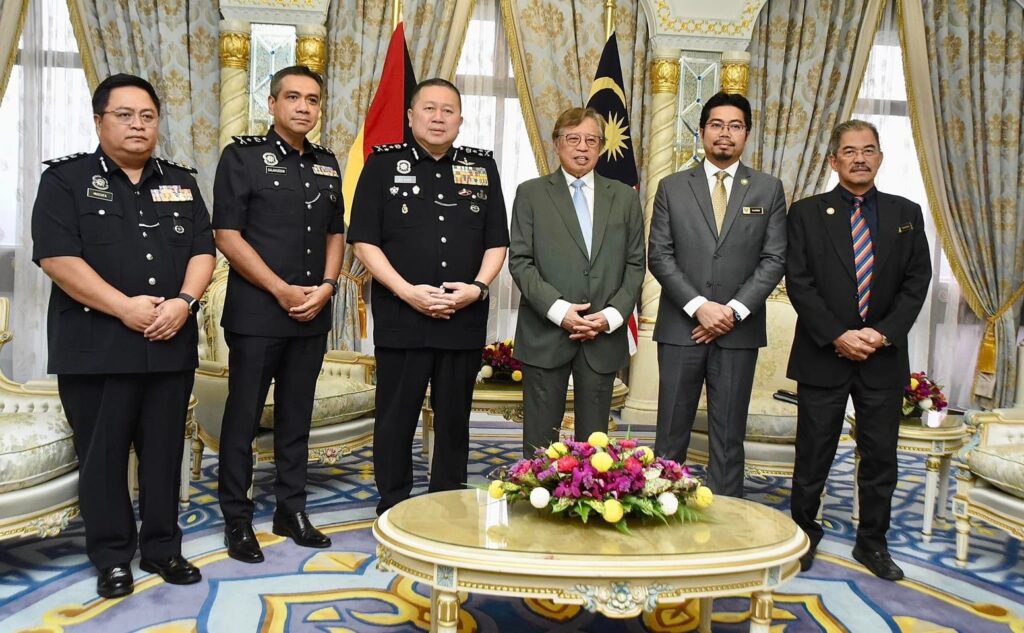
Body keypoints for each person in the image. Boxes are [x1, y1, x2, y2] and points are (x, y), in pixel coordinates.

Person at [31, 74, 215, 598]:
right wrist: (123, 308)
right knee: (104, 457)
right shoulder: (65, 181)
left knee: (164, 453)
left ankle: (163, 548)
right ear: (98, 121)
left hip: (169, 341)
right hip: (97, 347)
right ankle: (112, 556)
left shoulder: (180, 181)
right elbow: (57, 258)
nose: (138, 125)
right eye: (125, 115)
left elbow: (203, 249)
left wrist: (184, 302)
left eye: (147, 116)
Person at [348, 78, 508, 515]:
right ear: (411, 116)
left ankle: (447, 502)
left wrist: (477, 288)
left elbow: (497, 241)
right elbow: (363, 241)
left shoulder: (482, 167)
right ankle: (394, 503)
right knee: (395, 417)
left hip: (462, 317)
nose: (439, 118)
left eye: (448, 110)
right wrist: (405, 292)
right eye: (429, 109)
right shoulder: (382, 165)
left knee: (454, 419)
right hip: (402, 316)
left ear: (460, 119)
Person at [787, 120, 931, 580]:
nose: (860, 159)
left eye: (868, 150)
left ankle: (872, 543)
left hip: (881, 358)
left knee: (880, 458)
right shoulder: (806, 213)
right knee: (813, 454)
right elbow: (799, 282)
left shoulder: (906, 212)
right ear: (834, 161)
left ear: (880, 158)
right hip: (823, 354)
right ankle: (804, 534)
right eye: (849, 151)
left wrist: (882, 334)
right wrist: (838, 335)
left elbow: (917, 281)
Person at [213, 65, 345, 562]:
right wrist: (280, 289)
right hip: (257, 314)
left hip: (312, 311)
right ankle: (237, 518)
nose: (303, 107)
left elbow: (336, 232)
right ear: (271, 104)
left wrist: (328, 287)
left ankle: (291, 509)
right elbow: (227, 235)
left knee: (296, 417)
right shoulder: (242, 157)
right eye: (292, 97)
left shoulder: (327, 163)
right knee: (243, 419)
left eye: (312, 99)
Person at [647, 91, 787, 498]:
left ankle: (728, 514)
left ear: (747, 134)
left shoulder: (768, 189)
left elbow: (775, 258)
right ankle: (663, 505)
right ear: (702, 130)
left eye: (735, 126)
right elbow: (660, 255)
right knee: (670, 432)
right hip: (681, 330)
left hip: (738, 332)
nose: (725, 133)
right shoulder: (672, 187)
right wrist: (700, 308)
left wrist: (732, 312)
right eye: (717, 125)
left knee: (728, 436)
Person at [508, 107, 645, 455]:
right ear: (557, 143)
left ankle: (591, 492)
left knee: (596, 448)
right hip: (546, 333)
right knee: (540, 447)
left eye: (591, 140)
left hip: (602, 336)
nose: (582, 147)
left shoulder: (625, 197)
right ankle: (538, 490)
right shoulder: (531, 193)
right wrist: (560, 311)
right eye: (573, 139)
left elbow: (635, 264)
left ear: (600, 147)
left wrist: (610, 316)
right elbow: (520, 261)